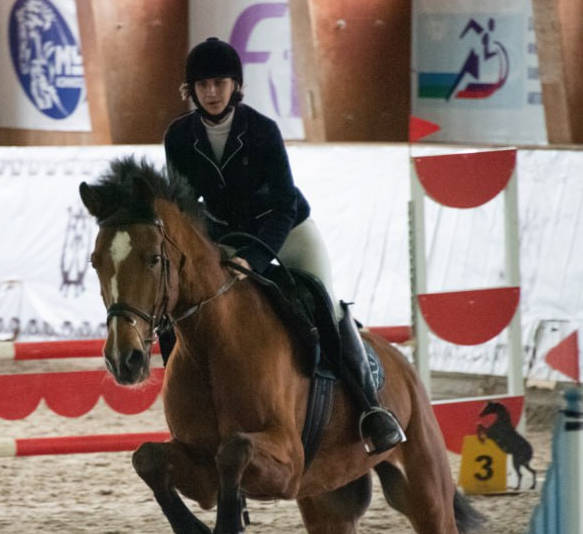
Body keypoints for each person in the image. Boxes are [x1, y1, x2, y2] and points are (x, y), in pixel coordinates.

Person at [163, 37, 405, 455]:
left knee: (324, 302)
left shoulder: (261, 131)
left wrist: (253, 258)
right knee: (178, 307)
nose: (212, 92)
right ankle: (185, 409)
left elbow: (282, 205)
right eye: (203, 84)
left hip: (286, 230)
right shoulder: (179, 136)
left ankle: (370, 409)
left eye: (220, 83)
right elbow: (185, 207)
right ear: (192, 90)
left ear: (236, 85)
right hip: (223, 236)